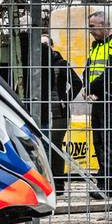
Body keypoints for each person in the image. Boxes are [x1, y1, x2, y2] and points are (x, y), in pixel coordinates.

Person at [84, 11, 112, 199]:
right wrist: (86, 87)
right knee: (99, 141)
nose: (90, 31)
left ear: (104, 25)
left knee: (109, 142)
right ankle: (105, 182)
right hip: (98, 100)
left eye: (92, 27)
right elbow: (89, 68)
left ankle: (109, 184)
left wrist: (92, 87)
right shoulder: (95, 46)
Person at [37, 35, 83, 196]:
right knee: (40, 146)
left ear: (51, 47)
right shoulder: (35, 65)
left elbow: (77, 83)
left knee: (54, 145)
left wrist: (65, 99)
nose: (42, 48)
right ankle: (43, 181)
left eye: (45, 45)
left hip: (59, 113)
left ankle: (57, 182)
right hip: (40, 111)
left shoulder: (61, 64)